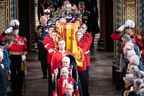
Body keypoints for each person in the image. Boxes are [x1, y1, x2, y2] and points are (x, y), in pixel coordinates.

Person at [7, 19, 27, 96]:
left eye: (16, 30)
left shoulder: (23, 39)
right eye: (14, 30)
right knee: (12, 75)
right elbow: (6, 49)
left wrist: (24, 55)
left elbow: (25, 49)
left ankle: (20, 90)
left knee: (21, 75)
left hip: (20, 59)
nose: (15, 31)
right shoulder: (8, 39)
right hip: (11, 58)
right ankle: (14, 89)